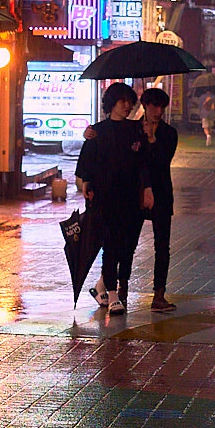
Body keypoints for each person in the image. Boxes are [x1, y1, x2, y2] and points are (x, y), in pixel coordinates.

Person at [74, 82, 151, 314]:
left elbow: (144, 163)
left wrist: (147, 189)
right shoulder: (97, 131)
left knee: (125, 246)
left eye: (130, 101)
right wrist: (86, 184)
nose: (127, 106)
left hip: (130, 196)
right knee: (110, 244)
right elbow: (85, 165)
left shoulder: (136, 130)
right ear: (112, 104)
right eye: (122, 102)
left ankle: (101, 286)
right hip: (105, 197)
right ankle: (114, 294)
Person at [137, 87, 179, 311]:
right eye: (154, 106)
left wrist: (152, 139)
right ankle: (119, 291)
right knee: (127, 243)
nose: (158, 111)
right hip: (137, 193)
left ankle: (159, 295)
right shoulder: (133, 130)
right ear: (145, 106)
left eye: (161, 106)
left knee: (162, 246)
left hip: (162, 194)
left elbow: (162, 162)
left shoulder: (169, 133)